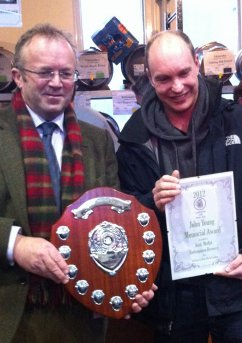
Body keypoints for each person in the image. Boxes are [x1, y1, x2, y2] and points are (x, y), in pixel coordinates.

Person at [0, 23, 155, 343]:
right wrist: (15, 245)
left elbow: (116, 224)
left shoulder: (98, 139)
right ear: (18, 76)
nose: (57, 83)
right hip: (12, 314)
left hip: (83, 314)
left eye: (66, 73)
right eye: (45, 72)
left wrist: (130, 282)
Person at [117, 30, 242, 343]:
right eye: (164, 78)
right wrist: (150, 201)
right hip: (174, 298)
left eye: (183, 73)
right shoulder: (135, 139)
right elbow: (123, 221)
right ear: (150, 79)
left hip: (239, 292)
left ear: (197, 64)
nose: (177, 87)